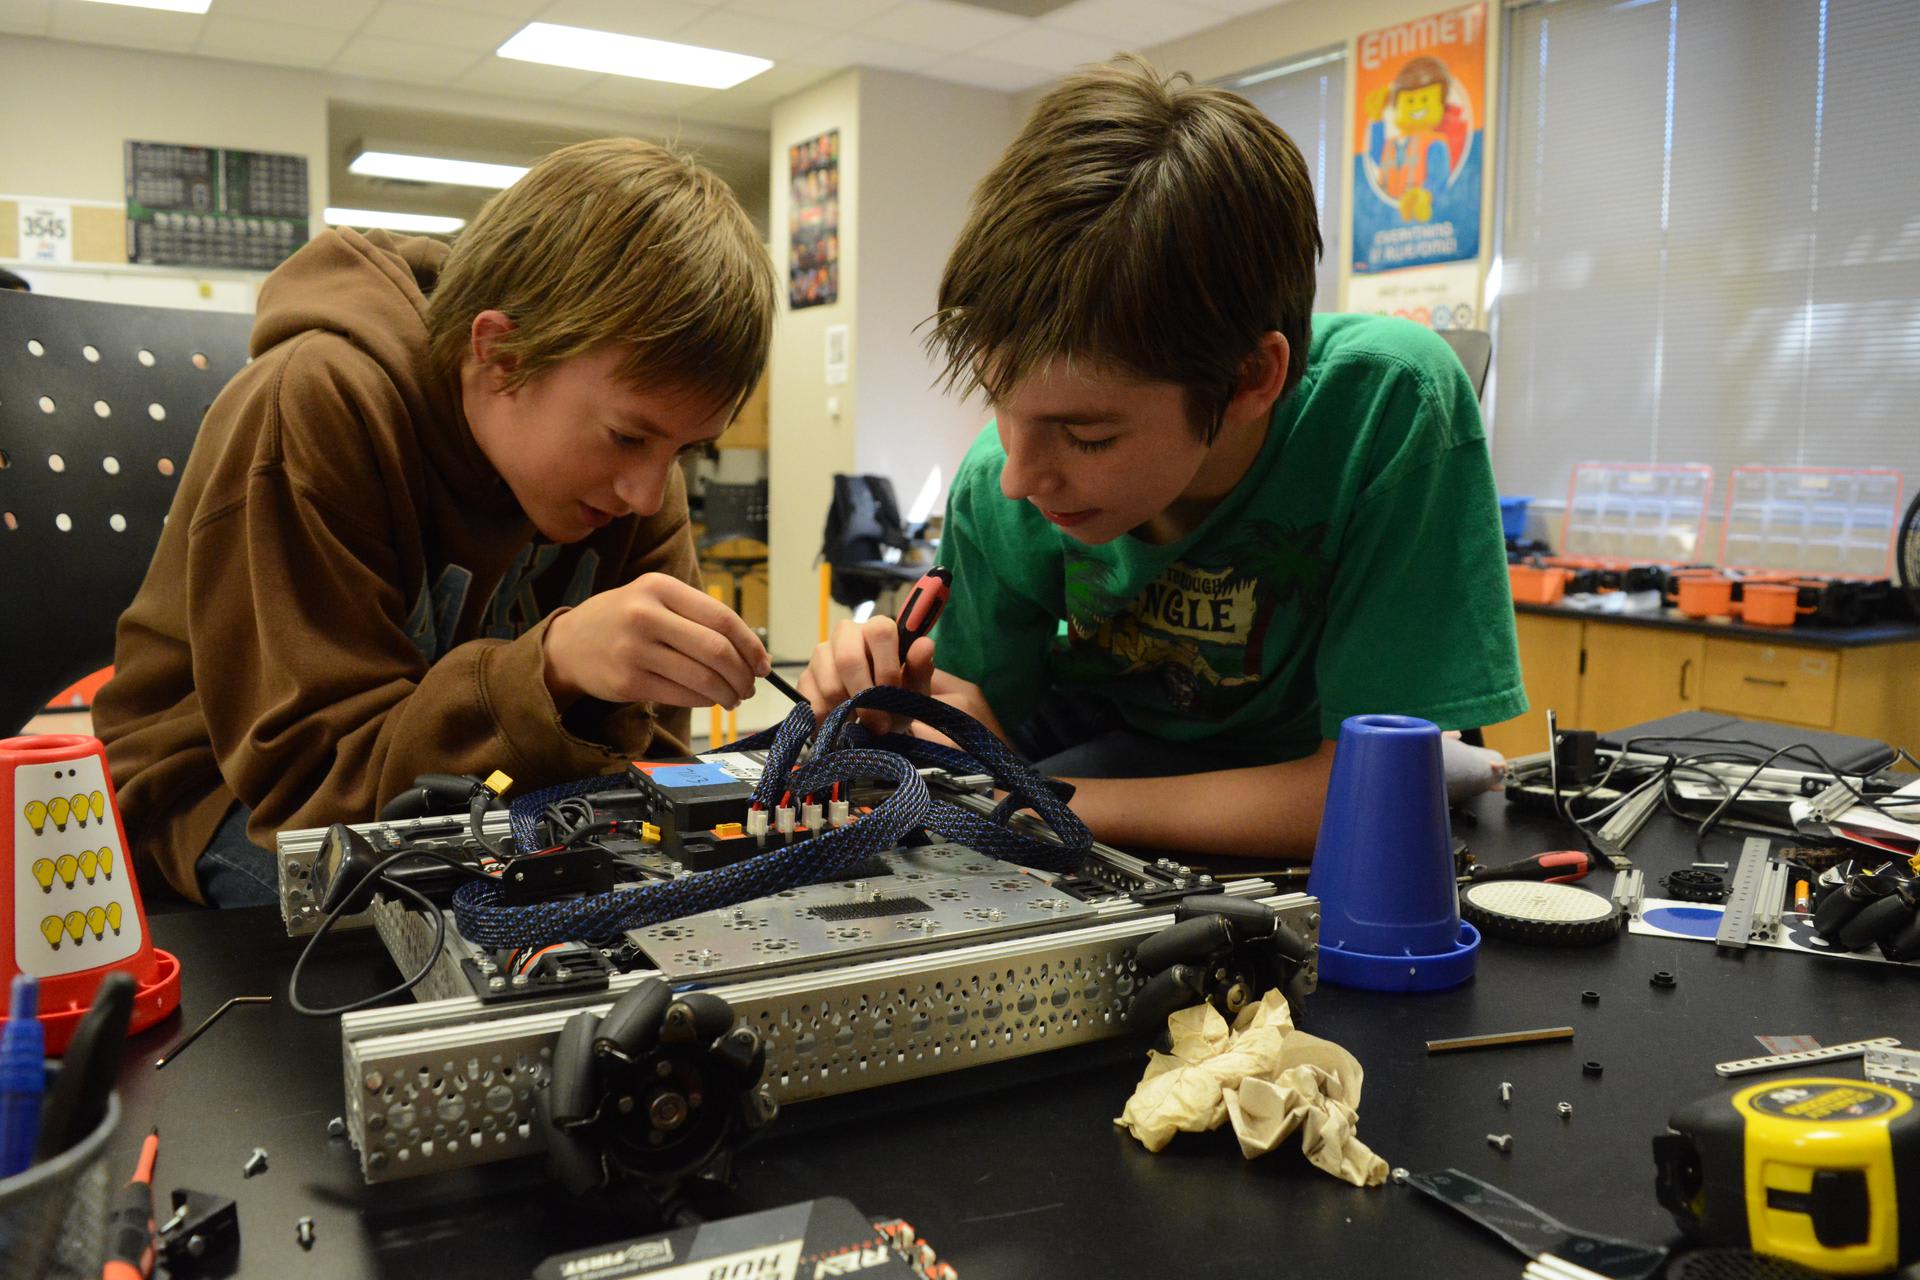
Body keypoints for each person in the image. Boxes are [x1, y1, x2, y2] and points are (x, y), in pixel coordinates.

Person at [799, 56, 1522, 862]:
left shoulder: (1390, 405)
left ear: (1250, 379)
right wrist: (901, 708)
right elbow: (978, 730)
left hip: (1305, 796)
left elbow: (1377, 797)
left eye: (1089, 435)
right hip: (1120, 757)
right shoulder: (997, 486)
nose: (1018, 477)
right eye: (1001, 403)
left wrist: (1037, 804)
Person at [95, 139, 777, 906]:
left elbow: (652, 771)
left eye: (686, 449)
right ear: (500, 356)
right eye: (627, 437)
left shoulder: (639, 474)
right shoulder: (319, 403)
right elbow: (316, 795)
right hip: (226, 794)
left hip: (479, 788)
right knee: (420, 932)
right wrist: (549, 669)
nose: (649, 494)